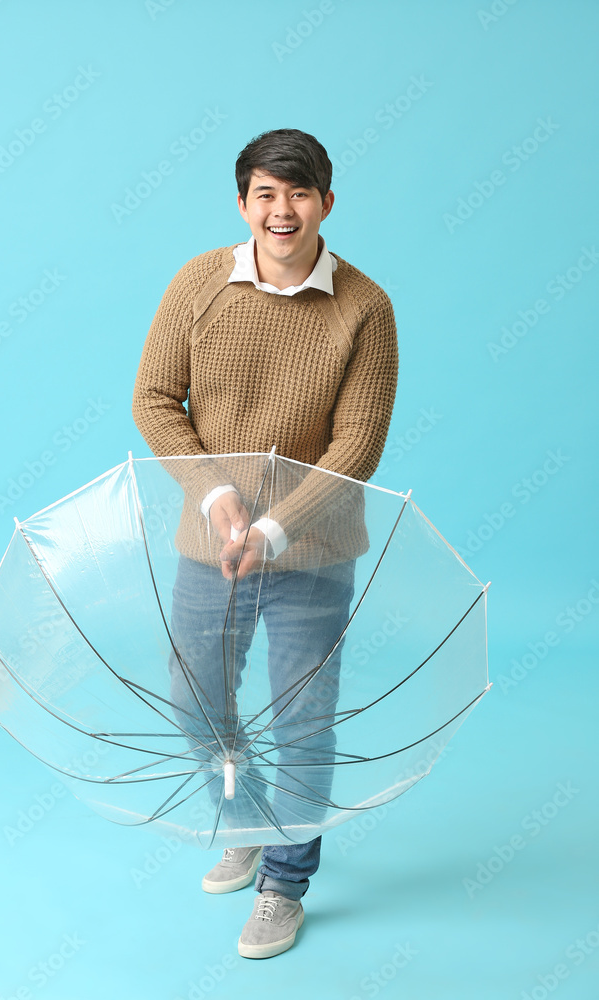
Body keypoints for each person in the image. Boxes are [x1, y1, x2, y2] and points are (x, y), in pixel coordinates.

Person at [132, 128, 398, 959]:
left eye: (299, 193)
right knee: (191, 697)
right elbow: (153, 400)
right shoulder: (198, 283)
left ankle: (284, 882)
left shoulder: (364, 306)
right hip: (208, 538)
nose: (281, 211)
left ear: (325, 200)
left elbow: (356, 442)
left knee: (304, 720)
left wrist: (278, 527)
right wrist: (216, 497)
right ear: (243, 202)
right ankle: (245, 818)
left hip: (311, 551)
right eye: (264, 194)